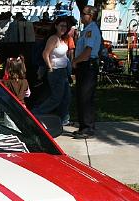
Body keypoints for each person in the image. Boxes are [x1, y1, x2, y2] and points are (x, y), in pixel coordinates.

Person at [32, 16, 72, 125]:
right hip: (55, 71)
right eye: (61, 25)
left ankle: (63, 119)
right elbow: (45, 53)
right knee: (56, 98)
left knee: (66, 96)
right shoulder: (53, 38)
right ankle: (35, 114)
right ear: (56, 26)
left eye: (65, 26)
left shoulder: (62, 39)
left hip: (63, 71)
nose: (64, 28)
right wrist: (49, 67)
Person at [70, 5, 101, 139]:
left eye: (84, 14)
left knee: (85, 96)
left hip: (88, 66)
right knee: (81, 96)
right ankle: (83, 126)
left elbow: (88, 52)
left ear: (91, 16)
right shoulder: (86, 29)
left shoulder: (91, 30)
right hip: (84, 66)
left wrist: (75, 61)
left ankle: (88, 128)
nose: (82, 16)